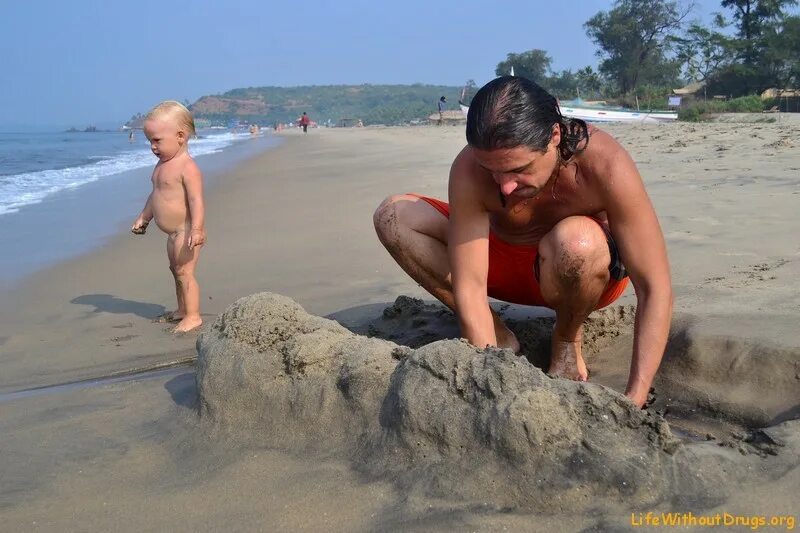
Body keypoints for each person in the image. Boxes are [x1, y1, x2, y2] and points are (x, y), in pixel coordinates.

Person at [373, 77, 672, 408]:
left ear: (554, 137)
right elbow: (470, 286)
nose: (505, 187)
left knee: (578, 242)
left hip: (582, 272)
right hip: (505, 264)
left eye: (518, 170)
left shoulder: (605, 163)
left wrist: (636, 398)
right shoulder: (469, 169)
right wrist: (489, 377)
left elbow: (654, 287)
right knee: (393, 216)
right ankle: (499, 336)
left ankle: (567, 338)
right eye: (493, 171)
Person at [131, 101, 206, 333]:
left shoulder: (187, 167)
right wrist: (144, 217)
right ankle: (182, 309)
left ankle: (193, 316)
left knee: (185, 272)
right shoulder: (161, 165)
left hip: (185, 232)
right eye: (149, 141)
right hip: (172, 234)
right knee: (175, 270)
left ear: (180, 136)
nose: (152, 147)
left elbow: (196, 200)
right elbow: (156, 195)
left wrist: (197, 229)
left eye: (157, 140)